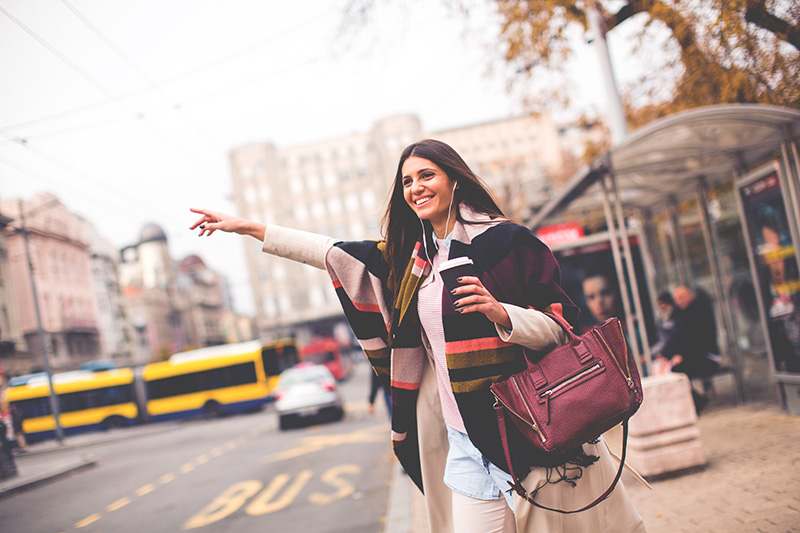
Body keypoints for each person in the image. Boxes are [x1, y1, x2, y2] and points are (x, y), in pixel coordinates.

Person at [190, 139, 644, 533]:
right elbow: (332, 251)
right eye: (407, 182)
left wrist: (500, 313)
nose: (416, 188)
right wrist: (249, 228)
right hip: (465, 443)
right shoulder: (412, 264)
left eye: (426, 175)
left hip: (527, 432)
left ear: (455, 181)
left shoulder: (507, 242)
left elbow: (562, 327)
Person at [659, 286, 721, 412]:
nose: (679, 301)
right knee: (672, 370)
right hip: (693, 355)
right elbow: (676, 338)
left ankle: (698, 402)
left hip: (707, 355)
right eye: (676, 299)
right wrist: (666, 355)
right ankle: (695, 401)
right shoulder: (680, 314)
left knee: (677, 370)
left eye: (682, 297)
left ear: (690, 296)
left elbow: (697, 340)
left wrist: (680, 355)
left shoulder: (699, 312)